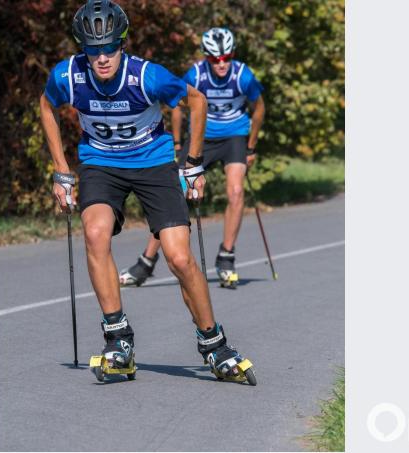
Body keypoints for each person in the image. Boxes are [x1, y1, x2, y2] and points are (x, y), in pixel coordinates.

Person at [40, 1, 253, 382]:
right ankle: (117, 337)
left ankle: (215, 344)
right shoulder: (68, 76)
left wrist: (193, 162)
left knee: (179, 257)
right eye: (93, 49)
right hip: (101, 164)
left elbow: (197, 100)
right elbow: (46, 105)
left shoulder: (146, 76)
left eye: (109, 47)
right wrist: (60, 170)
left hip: (153, 164)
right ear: (82, 48)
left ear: (122, 43)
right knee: (94, 232)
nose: (102, 58)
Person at [119, 27, 265, 289]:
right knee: (175, 192)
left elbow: (259, 108)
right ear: (206, 57)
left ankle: (226, 256)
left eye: (226, 57)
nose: (221, 64)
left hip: (234, 136)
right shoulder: (196, 74)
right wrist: (176, 142)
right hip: (202, 138)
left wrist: (251, 147)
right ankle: (146, 262)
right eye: (214, 59)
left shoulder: (243, 75)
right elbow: (177, 106)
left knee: (235, 191)